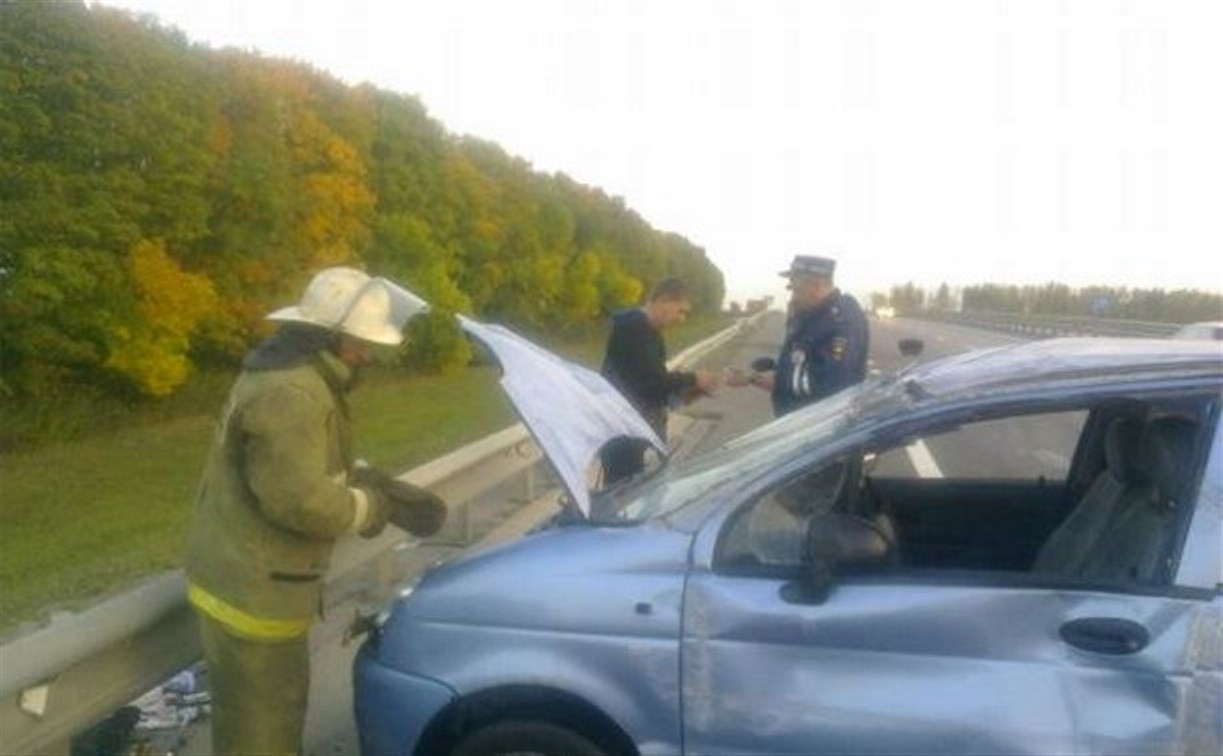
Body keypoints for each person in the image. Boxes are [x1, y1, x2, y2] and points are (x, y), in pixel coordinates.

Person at [184, 267, 447, 756]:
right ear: (327, 336)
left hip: (248, 578)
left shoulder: (294, 373)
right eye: (360, 342)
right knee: (264, 731)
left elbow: (297, 464)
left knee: (261, 718)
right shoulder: (295, 393)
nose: (368, 354)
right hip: (253, 594)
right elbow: (300, 500)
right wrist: (373, 507)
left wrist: (364, 476)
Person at [599, 277, 718, 484]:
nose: (682, 319)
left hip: (635, 432)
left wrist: (693, 390)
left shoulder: (650, 333)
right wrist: (694, 378)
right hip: (624, 435)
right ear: (664, 300)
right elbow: (652, 382)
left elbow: (652, 388)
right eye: (680, 311)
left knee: (636, 498)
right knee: (623, 501)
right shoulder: (633, 327)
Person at [733, 254, 869, 416]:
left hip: (817, 429)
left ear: (816, 286)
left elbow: (828, 388)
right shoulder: (814, 314)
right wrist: (768, 371)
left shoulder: (841, 322)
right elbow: (804, 364)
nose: (792, 296)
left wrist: (756, 379)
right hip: (798, 423)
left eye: (796, 289)